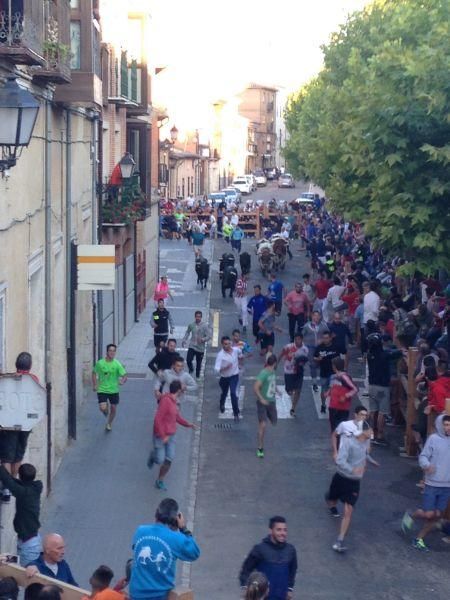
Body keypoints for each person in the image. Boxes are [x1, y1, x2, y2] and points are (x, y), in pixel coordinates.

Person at [130, 498, 200, 600]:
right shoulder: (176, 539)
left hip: (135, 595)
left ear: (156, 515)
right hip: (159, 597)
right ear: (176, 520)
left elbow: (135, 549)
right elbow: (195, 553)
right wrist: (183, 528)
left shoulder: (140, 530)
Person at [401, 414, 450, 552]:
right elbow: (423, 456)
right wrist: (427, 465)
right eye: (445, 424)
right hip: (432, 483)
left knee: (437, 515)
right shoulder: (434, 439)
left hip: (447, 485)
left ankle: (419, 539)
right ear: (440, 425)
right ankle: (411, 515)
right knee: (429, 514)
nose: (448, 427)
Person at [325, 427, 376, 552]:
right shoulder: (348, 443)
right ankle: (330, 498)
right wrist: (352, 469)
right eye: (370, 431)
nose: (372, 434)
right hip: (341, 478)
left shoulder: (367, 443)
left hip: (354, 482)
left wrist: (372, 461)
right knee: (332, 499)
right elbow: (340, 461)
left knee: (348, 510)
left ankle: (339, 540)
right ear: (363, 431)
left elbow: (365, 454)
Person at [0, 352, 39, 503]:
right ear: (30, 366)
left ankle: (6, 488)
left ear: (16, 364)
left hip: (9, 425)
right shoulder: (34, 380)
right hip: (25, 426)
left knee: (6, 457)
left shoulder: (8, 380)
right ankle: (12, 484)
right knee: (18, 456)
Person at [148, 381, 198, 491]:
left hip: (171, 435)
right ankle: (153, 456)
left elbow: (176, 417)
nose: (184, 388)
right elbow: (158, 419)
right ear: (179, 390)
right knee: (160, 459)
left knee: (169, 459)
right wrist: (163, 435)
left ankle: (160, 480)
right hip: (160, 435)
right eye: (183, 387)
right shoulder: (166, 401)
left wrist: (188, 424)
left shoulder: (175, 401)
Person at [239, 516, 297, 600]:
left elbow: (293, 570)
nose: (283, 533)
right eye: (279, 530)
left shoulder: (290, 550)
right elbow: (245, 570)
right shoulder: (259, 549)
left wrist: (290, 588)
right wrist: (246, 588)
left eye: (285, 530)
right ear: (271, 531)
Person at [0, 463, 43, 565]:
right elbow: (16, 482)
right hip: (29, 542)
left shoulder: (23, 492)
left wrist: (2, 467)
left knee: (26, 575)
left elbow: (9, 481)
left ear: (20, 475)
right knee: (21, 568)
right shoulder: (37, 486)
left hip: (28, 546)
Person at [367, 333, 403, 444]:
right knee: (382, 412)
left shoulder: (370, 354)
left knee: (373, 410)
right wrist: (402, 351)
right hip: (382, 388)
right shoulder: (383, 355)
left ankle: (372, 433)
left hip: (372, 386)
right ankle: (380, 435)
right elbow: (392, 354)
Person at [92, 344, 127, 432]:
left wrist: (122, 381)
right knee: (103, 408)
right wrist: (95, 384)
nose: (112, 352)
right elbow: (94, 373)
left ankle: (109, 423)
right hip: (102, 389)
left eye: (114, 351)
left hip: (114, 390)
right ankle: (105, 410)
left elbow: (125, 375)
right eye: (110, 350)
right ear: (107, 352)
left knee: (114, 408)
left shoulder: (117, 364)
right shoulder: (100, 363)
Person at [278, 334, 309, 417]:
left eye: (299, 339)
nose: (297, 341)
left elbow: (305, 359)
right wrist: (276, 363)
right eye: (295, 339)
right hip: (288, 371)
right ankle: (288, 389)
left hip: (299, 372)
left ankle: (293, 408)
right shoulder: (288, 347)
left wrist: (301, 363)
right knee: (289, 391)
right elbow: (281, 354)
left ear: (302, 339)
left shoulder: (305, 349)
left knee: (298, 390)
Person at [254, 355, 278, 458]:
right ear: (275, 363)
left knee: (274, 422)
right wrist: (261, 399)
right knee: (263, 425)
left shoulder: (273, 371)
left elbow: (272, 383)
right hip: (262, 403)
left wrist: (277, 390)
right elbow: (255, 387)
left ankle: (265, 418)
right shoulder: (264, 373)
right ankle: (260, 448)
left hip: (271, 402)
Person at [214, 336, 242, 421]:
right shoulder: (220, 355)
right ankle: (222, 403)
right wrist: (224, 368)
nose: (227, 346)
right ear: (222, 345)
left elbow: (240, 355)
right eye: (225, 344)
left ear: (231, 343)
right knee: (224, 393)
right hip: (224, 377)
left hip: (234, 376)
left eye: (229, 343)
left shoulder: (236, 350)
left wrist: (240, 362)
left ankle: (236, 413)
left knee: (233, 393)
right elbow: (216, 370)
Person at [327, 357, 359, 433]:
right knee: (334, 429)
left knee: (340, 429)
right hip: (333, 406)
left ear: (335, 366)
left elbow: (355, 389)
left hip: (342, 407)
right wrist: (328, 393)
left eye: (332, 365)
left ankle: (339, 444)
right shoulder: (333, 377)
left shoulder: (344, 377)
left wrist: (345, 396)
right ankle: (335, 444)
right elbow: (333, 388)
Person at [302, 311, 329, 392]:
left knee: (322, 364)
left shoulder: (324, 326)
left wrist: (323, 340)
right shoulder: (307, 326)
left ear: (320, 317)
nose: (316, 317)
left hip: (321, 348)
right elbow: (302, 335)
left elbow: (329, 334)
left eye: (318, 316)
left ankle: (325, 382)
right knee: (313, 365)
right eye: (315, 315)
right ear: (312, 316)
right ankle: (314, 383)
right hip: (310, 348)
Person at [314, 331, 340, 413]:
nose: (325, 340)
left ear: (330, 338)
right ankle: (323, 405)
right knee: (323, 390)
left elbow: (339, 359)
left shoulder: (335, 347)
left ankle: (333, 406)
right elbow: (314, 357)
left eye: (327, 338)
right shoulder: (319, 347)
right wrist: (318, 359)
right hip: (324, 372)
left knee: (334, 390)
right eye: (324, 338)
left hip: (334, 373)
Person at [182, 311, 211, 379]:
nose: (198, 318)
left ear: (201, 317)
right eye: (196, 316)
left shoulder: (205, 326)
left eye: (199, 317)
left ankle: (197, 376)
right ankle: (191, 369)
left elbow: (209, 336)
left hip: (200, 348)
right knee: (188, 360)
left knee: (199, 363)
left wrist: (203, 339)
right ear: (195, 317)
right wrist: (184, 340)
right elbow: (187, 332)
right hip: (192, 346)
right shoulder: (191, 325)